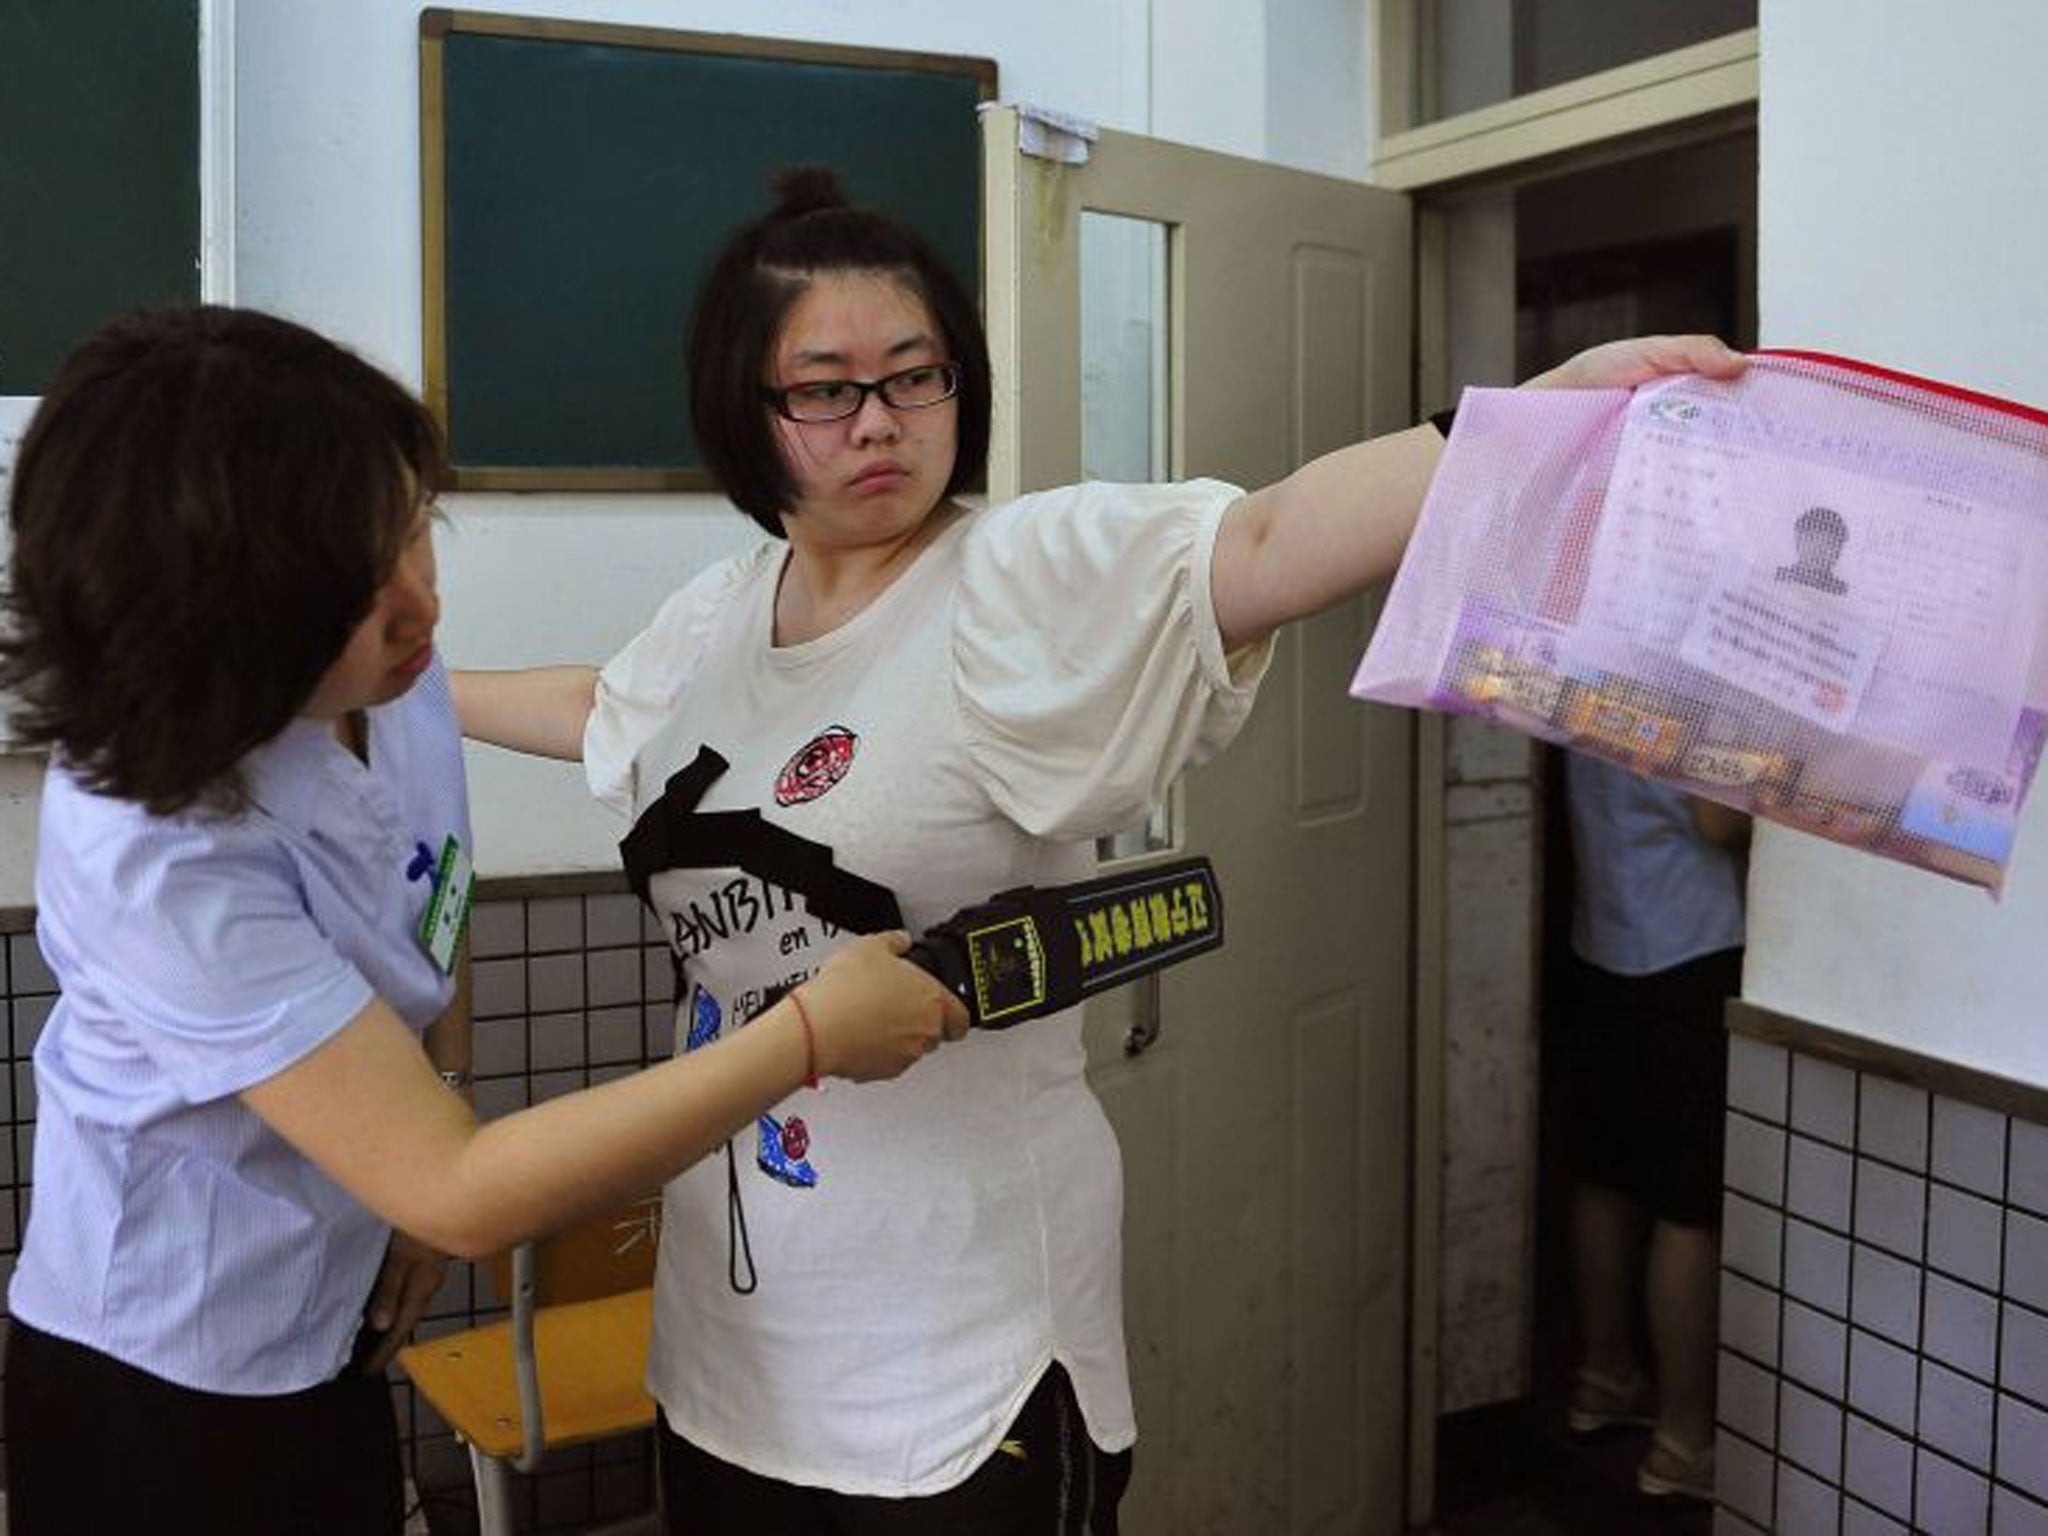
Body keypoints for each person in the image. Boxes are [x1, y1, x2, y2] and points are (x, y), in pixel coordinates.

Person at [453, 167, 1747, 1534]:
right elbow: (609, 709)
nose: (880, 420)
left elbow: (1258, 537)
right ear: (746, 410)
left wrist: (1542, 416)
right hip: (726, 1354)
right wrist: (397, 685)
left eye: (916, 376)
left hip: (955, 1371)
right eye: (824, 388)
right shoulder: (719, 615)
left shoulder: (1016, 578)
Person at [0, 305, 966, 1536]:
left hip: (338, 1313)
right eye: (357, 587)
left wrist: (427, 1123)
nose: (420, 607)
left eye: (415, 529)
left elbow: (432, 900)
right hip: (165, 1369)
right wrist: (807, 1040)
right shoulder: (157, 845)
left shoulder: (385, 686)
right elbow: (462, 1190)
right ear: (220, 623)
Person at [1558, 750, 1748, 1502]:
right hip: (1691, 949)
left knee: (1606, 1173)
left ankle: (1604, 1376)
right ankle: (1682, 1440)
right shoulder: (1709, 665)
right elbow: (1717, 818)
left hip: (1603, 937)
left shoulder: (1597, 641)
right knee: (1690, 1207)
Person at [1773, 503, 1851, 595]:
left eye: (1830, 543)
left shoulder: (1842, 593)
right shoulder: (1777, 578)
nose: (1821, 550)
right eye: (1812, 538)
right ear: (1798, 541)